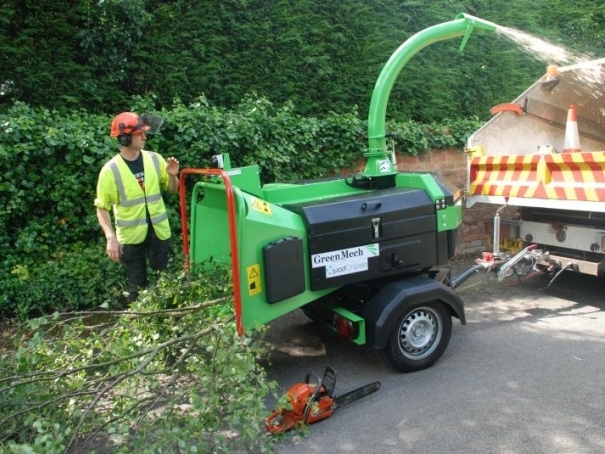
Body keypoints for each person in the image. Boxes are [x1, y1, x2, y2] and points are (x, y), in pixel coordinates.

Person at [95, 112, 180, 302]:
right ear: (125, 138)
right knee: (136, 288)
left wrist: (173, 176)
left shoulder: (155, 159)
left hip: (159, 232)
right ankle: (141, 322)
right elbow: (102, 207)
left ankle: (169, 320)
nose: (144, 137)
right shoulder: (111, 170)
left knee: (166, 282)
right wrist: (110, 237)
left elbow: (172, 190)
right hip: (131, 237)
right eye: (139, 133)